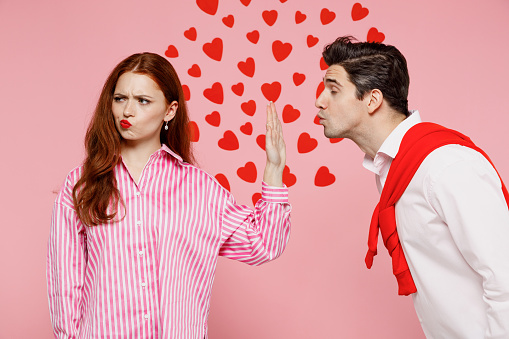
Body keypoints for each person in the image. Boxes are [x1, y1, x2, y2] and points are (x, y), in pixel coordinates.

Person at [47, 53, 291, 338]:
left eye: (143, 101)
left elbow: (262, 244)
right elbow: (65, 285)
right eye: (120, 98)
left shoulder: (199, 189)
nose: (127, 111)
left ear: (170, 110)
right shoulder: (81, 183)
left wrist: (274, 169)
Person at [314, 36, 509, 338]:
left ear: (372, 100)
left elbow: (504, 278)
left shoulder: (445, 166)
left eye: (334, 90)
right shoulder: (393, 171)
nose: (320, 101)